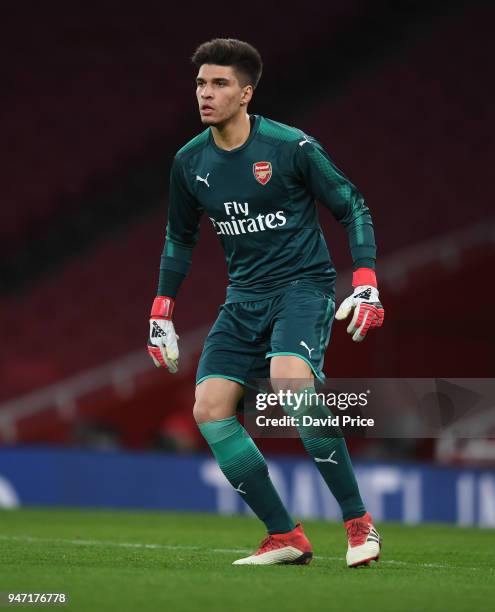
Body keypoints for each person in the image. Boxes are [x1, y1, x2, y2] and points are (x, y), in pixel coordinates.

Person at [147, 38, 384, 567]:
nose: (205, 94)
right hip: (244, 297)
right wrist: (161, 310)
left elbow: (352, 204)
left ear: (246, 93)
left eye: (220, 84)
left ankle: (358, 523)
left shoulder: (291, 147)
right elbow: (179, 237)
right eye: (201, 84)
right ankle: (285, 536)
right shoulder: (189, 161)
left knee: (290, 382)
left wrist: (365, 281)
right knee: (209, 411)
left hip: (303, 286)